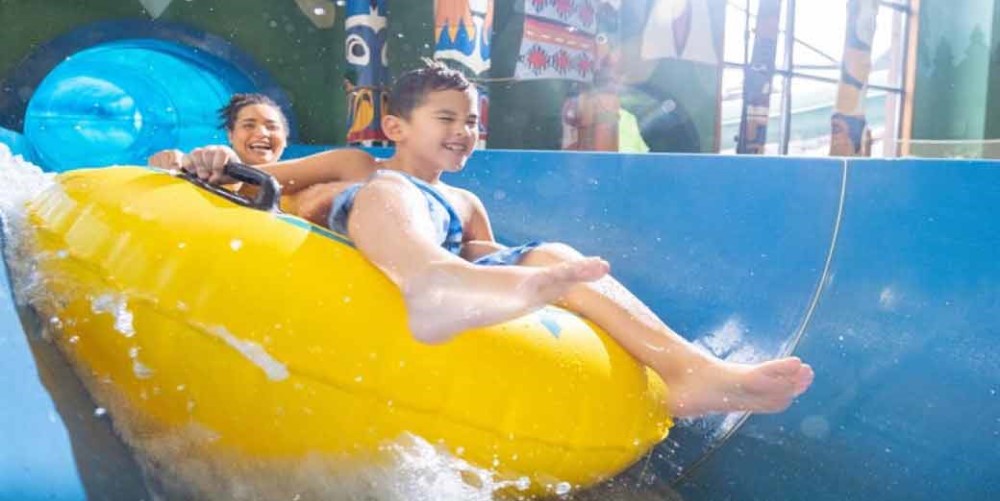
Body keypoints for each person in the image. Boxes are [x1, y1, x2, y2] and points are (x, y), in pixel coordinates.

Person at [182, 62, 813, 418]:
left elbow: (485, 252)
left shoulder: (465, 200)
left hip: (449, 261)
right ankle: (429, 281)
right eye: (447, 119)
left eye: (472, 123)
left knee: (558, 254)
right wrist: (205, 161)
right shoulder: (360, 166)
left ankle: (692, 372)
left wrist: (537, 277)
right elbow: (258, 179)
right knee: (389, 193)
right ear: (396, 126)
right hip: (385, 245)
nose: (464, 132)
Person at [148, 93, 289, 169]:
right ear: (230, 135)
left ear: (285, 140)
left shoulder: (299, 191)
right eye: (249, 125)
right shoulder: (208, 175)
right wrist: (172, 162)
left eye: (272, 127)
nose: (262, 133)